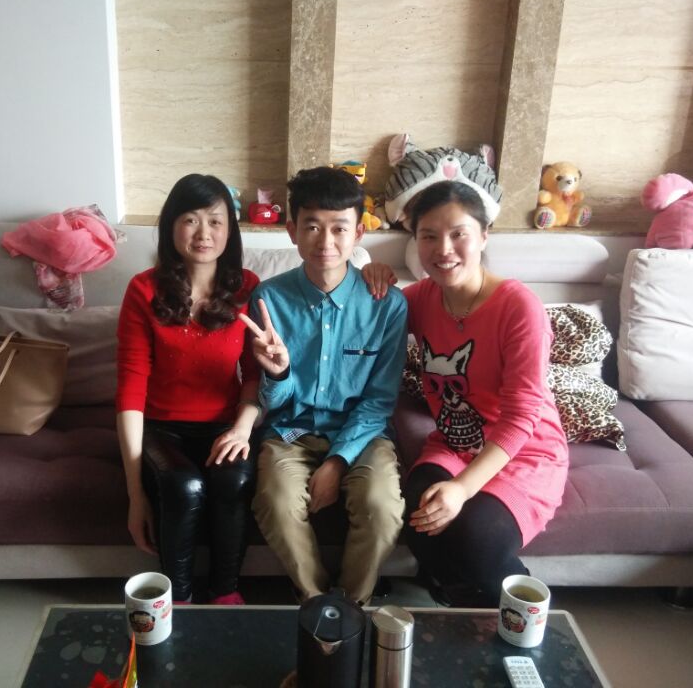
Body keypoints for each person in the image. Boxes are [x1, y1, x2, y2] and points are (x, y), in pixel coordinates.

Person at [238, 166, 408, 605]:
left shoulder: (386, 304)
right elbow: (270, 400)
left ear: (358, 234)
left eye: (339, 228)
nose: (326, 241)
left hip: (361, 433)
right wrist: (279, 373)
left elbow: (379, 400)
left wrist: (337, 461)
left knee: (382, 505)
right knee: (275, 501)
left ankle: (351, 607)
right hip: (289, 431)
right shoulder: (268, 300)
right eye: (312, 226)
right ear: (292, 231)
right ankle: (316, 604)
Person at [397, 180, 568, 607]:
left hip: (523, 450)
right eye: (429, 236)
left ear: (484, 235)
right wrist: (370, 276)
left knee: (476, 537)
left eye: (459, 234)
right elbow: (362, 315)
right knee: (417, 513)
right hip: (455, 442)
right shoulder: (421, 298)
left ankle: (526, 621)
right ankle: (460, 602)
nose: (444, 249)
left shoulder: (518, 307)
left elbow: (521, 416)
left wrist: (462, 488)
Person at [116, 173, 262, 605]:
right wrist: (135, 495)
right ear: (171, 227)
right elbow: (130, 390)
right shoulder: (143, 290)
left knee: (233, 481)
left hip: (225, 427)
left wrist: (242, 429)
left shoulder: (247, 288)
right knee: (183, 486)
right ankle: (176, 602)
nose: (204, 234)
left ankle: (225, 593)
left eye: (215, 221)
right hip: (161, 428)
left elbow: (254, 376)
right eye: (190, 220)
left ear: (230, 231)